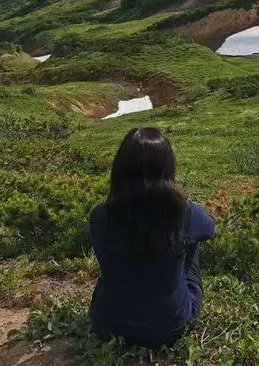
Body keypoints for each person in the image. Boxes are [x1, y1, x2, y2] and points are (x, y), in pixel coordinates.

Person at [89, 127, 215, 349]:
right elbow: (210, 228)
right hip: (168, 328)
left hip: (106, 324)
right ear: (167, 169)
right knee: (192, 240)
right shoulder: (183, 212)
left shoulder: (102, 214)